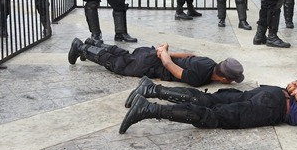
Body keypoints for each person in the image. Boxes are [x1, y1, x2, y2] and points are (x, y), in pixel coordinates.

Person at [120, 78, 297, 134]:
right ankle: (150, 109)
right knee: (213, 116)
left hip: (272, 92)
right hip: (274, 109)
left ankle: (152, 89)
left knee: (212, 99)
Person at [68, 38, 244, 93]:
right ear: (224, 79)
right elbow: (168, 65)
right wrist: (164, 52)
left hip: (152, 56)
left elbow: (189, 55)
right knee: (116, 64)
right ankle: (81, 48)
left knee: (123, 55)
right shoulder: (199, 79)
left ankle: (93, 43)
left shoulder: (209, 62)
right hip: (150, 65)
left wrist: (161, 51)